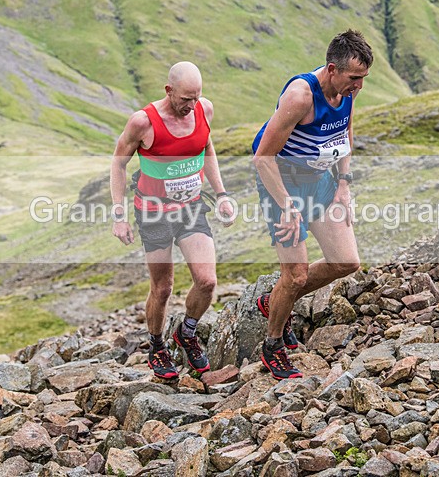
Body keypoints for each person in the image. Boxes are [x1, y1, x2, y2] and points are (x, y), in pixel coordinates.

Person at [251, 30, 372, 379]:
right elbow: (262, 158)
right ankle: (273, 344)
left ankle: (274, 300)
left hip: (320, 181)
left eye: (363, 79)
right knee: (296, 275)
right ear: (332, 68)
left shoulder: (347, 90)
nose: (359, 87)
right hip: (281, 183)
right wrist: (288, 206)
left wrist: (344, 184)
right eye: (354, 79)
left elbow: (344, 133)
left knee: (346, 261)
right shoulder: (301, 96)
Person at [111, 61, 235, 381]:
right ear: (169, 91)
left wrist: (221, 194)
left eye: (196, 98)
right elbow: (118, 163)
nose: (191, 106)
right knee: (163, 288)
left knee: (207, 282)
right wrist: (119, 215)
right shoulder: (143, 122)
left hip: (191, 208)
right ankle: (156, 344)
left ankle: (187, 332)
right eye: (185, 99)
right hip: (153, 212)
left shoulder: (203, 110)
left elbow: (206, 148)